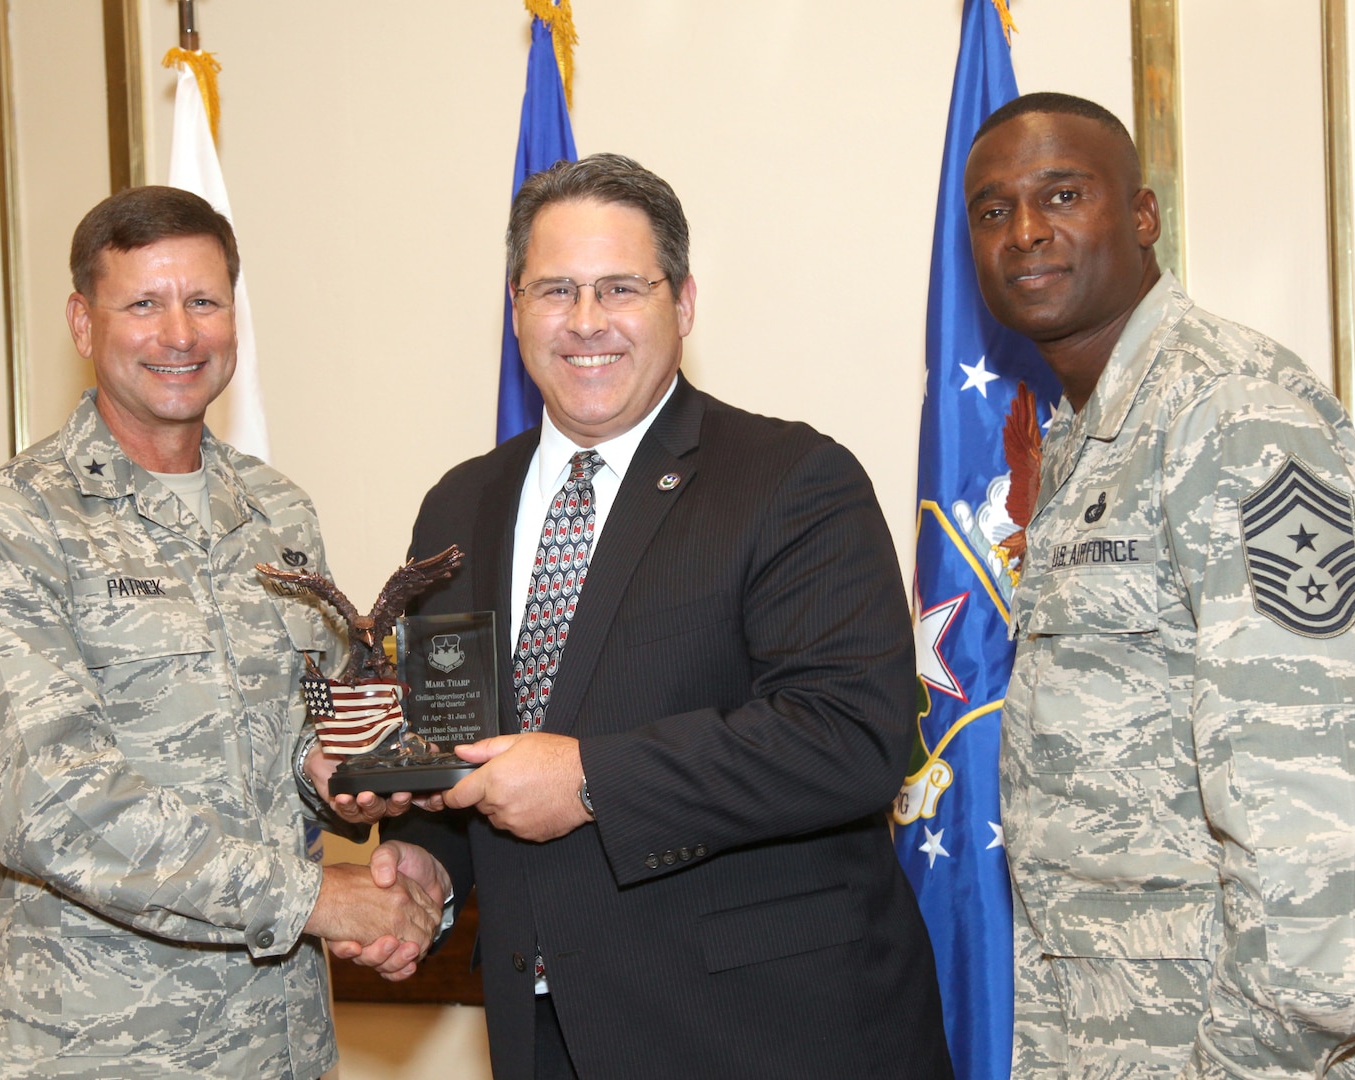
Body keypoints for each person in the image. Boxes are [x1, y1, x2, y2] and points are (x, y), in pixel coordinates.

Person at [311, 153, 953, 1079]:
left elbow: (851, 738)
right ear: (515, 306)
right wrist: (429, 864)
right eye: (554, 290)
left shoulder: (792, 480)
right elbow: (464, 746)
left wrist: (593, 778)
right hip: (546, 1039)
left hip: (768, 1035)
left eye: (620, 288)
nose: (584, 322)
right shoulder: (460, 508)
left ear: (683, 303)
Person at [0, 186, 448, 1079]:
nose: (180, 334)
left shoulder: (277, 512)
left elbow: (305, 736)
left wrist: (345, 777)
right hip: (97, 1048)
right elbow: (54, 809)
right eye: (144, 303)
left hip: (279, 1042)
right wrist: (319, 899)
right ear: (83, 324)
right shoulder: (13, 527)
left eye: (204, 301)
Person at [963, 92, 1355, 1077]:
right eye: (994, 210)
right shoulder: (1087, 437)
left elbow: (1320, 805)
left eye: (1061, 194)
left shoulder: (1232, 410)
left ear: (1141, 217)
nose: (1027, 231)